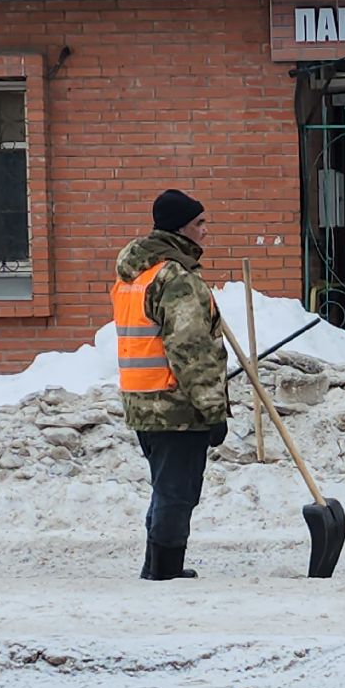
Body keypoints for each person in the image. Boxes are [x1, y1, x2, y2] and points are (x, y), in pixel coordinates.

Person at [112, 189, 228, 582]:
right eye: (200, 224)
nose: (206, 231)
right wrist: (212, 410)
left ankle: (157, 565)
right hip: (175, 405)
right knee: (177, 493)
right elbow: (191, 352)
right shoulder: (175, 280)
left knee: (166, 489)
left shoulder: (136, 274)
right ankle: (164, 571)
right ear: (181, 229)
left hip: (143, 402)